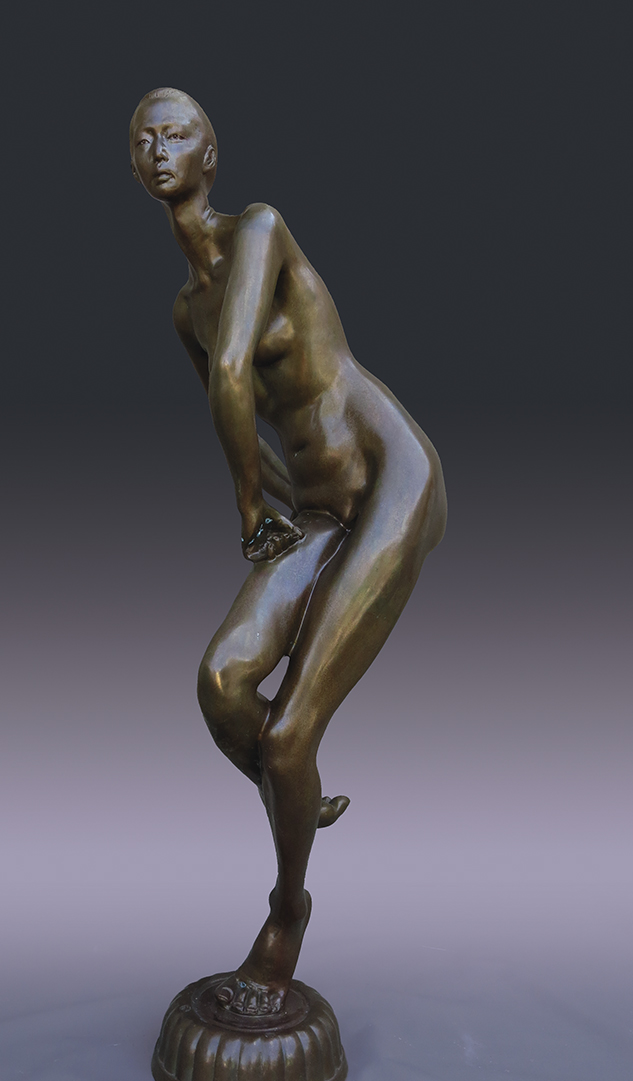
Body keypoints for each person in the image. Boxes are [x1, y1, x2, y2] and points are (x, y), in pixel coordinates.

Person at [131, 88, 447, 1016]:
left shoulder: (261, 228)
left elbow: (236, 371)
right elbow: (234, 418)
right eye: (144, 138)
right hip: (316, 509)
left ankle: (284, 920)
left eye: (178, 134)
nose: (159, 149)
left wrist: (245, 517)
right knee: (222, 684)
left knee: (287, 732)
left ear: (210, 157)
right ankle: (294, 789)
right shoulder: (185, 310)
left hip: (390, 479)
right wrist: (268, 503)